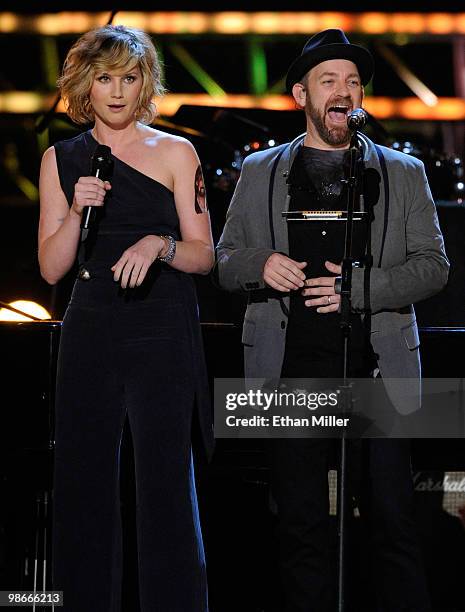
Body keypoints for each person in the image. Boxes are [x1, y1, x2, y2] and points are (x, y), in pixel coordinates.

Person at [216, 29, 449, 612]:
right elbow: (222, 261)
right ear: (301, 94)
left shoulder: (401, 172)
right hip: (290, 373)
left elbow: (434, 268)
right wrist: (261, 264)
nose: (344, 92)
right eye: (329, 82)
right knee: (299, 528)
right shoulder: (260, 171)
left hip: (379, 374)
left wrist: (358, 289)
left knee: (394, 524)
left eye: (352, 82)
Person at [38, 24, 213, 612]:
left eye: (129, 77)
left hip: (161, 325)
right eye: (105, 78)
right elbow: (51, 269)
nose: (116, 91)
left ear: (146, 84)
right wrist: (74, 213)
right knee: (83, 479)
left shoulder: (177, 152)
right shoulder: (59, 159)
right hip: (91, 325)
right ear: (84, 85)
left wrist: (158, 244)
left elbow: (204, 254)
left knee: (165, 482)